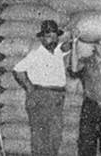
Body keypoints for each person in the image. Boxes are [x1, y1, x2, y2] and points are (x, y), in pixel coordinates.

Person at [13, 20, 71, 156]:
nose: (53, 39)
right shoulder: (36, 54)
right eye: (49, 36)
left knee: (55, 136)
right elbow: (17, 70)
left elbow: (67, 46)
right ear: (42, 38)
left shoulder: (58, 51)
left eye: (55, 36)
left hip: (56, 98)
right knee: (40, 137)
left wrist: (74, 37)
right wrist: (29, 87)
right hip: (41, 96)